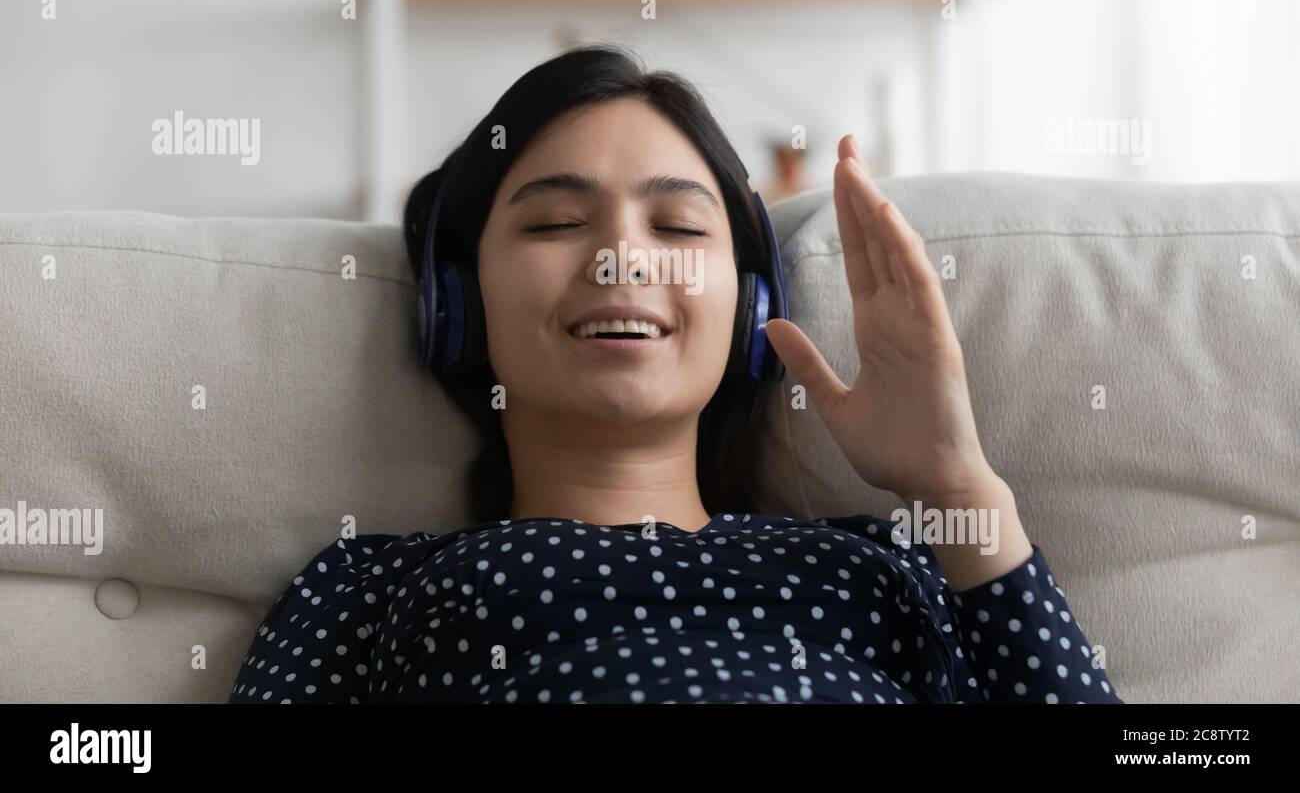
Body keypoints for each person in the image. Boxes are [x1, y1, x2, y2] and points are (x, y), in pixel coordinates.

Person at [229, 44, 1120, 704]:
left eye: (680, 230)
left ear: (748, 303)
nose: (621, 258)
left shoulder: (892, 565)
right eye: (554, 225)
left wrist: (955, 481)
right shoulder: (368, 589)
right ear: (456, 304)